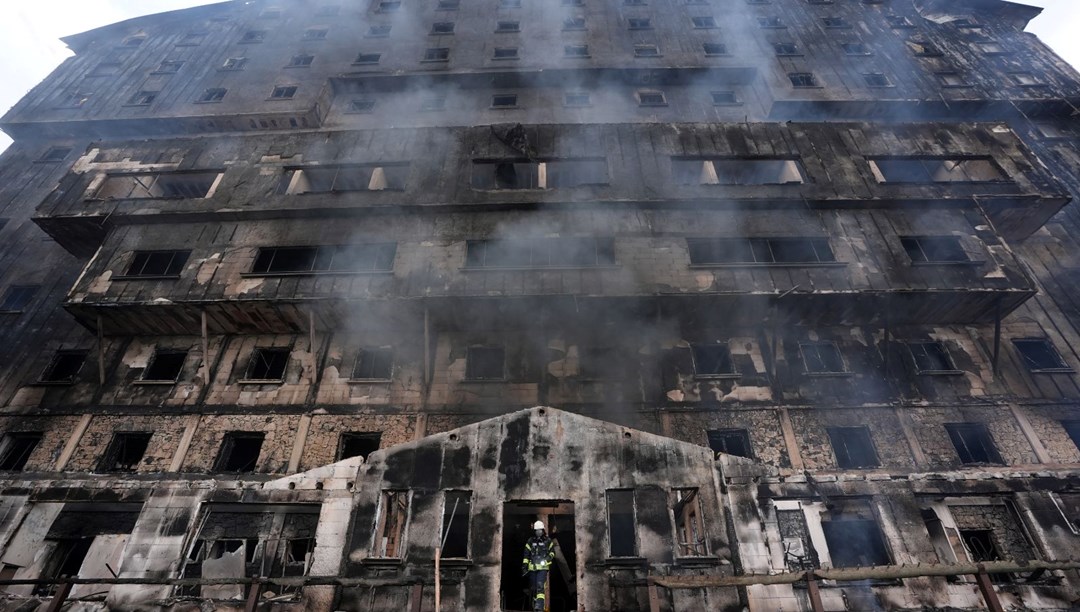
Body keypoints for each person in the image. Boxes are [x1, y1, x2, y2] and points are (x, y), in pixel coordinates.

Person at [521, 520, 555, 611]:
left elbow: (552, 553)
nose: (538, 532)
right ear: (534, 531)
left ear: (543, 530)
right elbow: (526, 555)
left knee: (540, 586)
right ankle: (535, 605)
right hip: (532, 569)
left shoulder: (548, 541)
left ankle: (539, 607)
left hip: (543, 569)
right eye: (537, 530)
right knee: (533, 588)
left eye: (540, 530)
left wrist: (547, 559)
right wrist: (524, 567)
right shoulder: (530, 541)